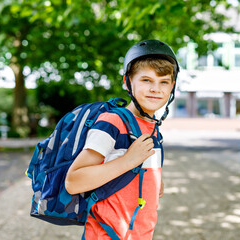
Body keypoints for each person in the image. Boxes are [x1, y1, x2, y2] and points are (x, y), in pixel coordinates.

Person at [65, 39, 179, 240]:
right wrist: (128, 161)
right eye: (146, 80)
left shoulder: (152, 128)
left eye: (164, 82)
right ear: (127, 82)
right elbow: (74, 181)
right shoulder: (113, 122)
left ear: (172, 87)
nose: (156, 89)